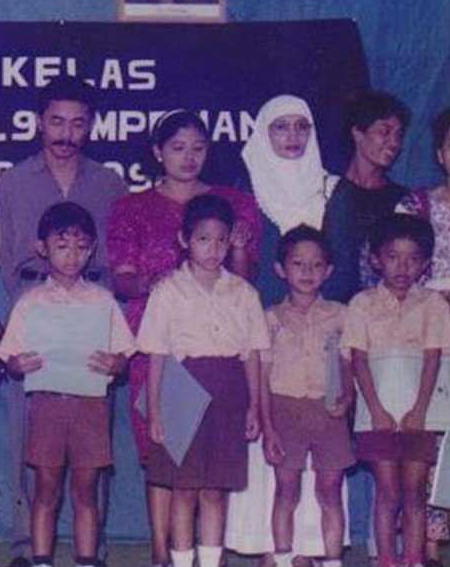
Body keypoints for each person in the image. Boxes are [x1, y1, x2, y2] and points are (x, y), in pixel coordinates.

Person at [106, 109, 259, 567]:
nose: (188, 157)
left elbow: (244, 279)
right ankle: (163, 552)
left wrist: (235, 249)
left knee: (210, 469)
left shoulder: (233, 204)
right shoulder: (132, 207)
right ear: (158, 152)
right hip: (157, 345)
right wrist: (156, 282)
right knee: (165, 456)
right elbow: (121, 279)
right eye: (177, 148)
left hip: (220, 348)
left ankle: (207, 555)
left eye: (198, 148)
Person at [0, 75, 124, 567]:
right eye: (57, 121)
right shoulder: (10, 183)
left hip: (92, 317)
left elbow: (116, 259)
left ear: (91, 126)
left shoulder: (109, 184)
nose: (67, 133)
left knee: (93, 449)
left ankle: (94, 551)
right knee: (31, 443)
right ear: (38, 122)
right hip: (32, 313)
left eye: (77, 123)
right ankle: (29, 549)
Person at [227, 95, 349, 561]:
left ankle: (314, 548)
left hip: (320, 338)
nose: (293, 137)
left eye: (302, 127)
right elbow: (238, 271)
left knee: (325, 473)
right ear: (264, 134)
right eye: (281, 127)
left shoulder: (330, 189)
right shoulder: (246, 190)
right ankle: (269, 547)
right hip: (266, 333)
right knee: (276, 461)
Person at [0, 202, 135, 567]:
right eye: (62, 246)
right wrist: (17, 364)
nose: (72, 255)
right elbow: (10, 358)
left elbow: (124, 356)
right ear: (41, 248)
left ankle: (87, 560)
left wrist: (116, 363)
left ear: (92, 250)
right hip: (47, 406)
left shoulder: (103, 301)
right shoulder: (30, 302)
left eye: (81, 247)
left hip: (90, 408)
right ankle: (42, 560)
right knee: (45, 489)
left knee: (86, 491)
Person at [139, 194, 268, 567]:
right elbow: (156, 356)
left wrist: (254, 408)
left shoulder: (244, 293)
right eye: (203, 239)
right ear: (184, 240)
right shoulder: (167, 291)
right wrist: (156, 413)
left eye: (221, 240)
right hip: (182, 390)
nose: (213, 249)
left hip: (229, 392)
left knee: (215, 490)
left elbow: (252, 354)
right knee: (184, 489)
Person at [343, 214, 450, 567]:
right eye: (393, 256)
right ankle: (387, 559)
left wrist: (420, 410)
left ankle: (414, 560)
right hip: (378, 414)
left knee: (415, 493)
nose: (402, 267)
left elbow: (433, 358)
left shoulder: (434, 305)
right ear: (376, 259)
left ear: (425, 263)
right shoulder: (362, 304)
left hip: (421, 414)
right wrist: (376, 410)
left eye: (412, 258)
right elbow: (358, 360)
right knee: (387, 493)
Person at [259, 226, 355, 567]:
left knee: (330, 490)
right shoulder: (270, 318)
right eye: (298, 263)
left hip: (328, 411)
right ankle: (284, 557)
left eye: (317, 265)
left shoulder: (341, 315)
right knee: (286, 490)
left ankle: (332, 561)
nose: (307, 272)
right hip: (284, 410)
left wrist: (347, 398)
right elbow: (262, 377)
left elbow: (348, 364)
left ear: (328, 271)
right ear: (280, 269)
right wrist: (268, 426)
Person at [396, 107, 450, 561]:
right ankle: (430, 540)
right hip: (425, 334)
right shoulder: (415, 206)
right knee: (431, 435)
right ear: (440, 153)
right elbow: (396, 270)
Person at [323, 92, 410, 304]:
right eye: (384, 132)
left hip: (380, 311)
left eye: (399, 135)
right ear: (357, 133)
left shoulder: (402, 201)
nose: (394, 143)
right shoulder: (326, 190)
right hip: (328, 309)